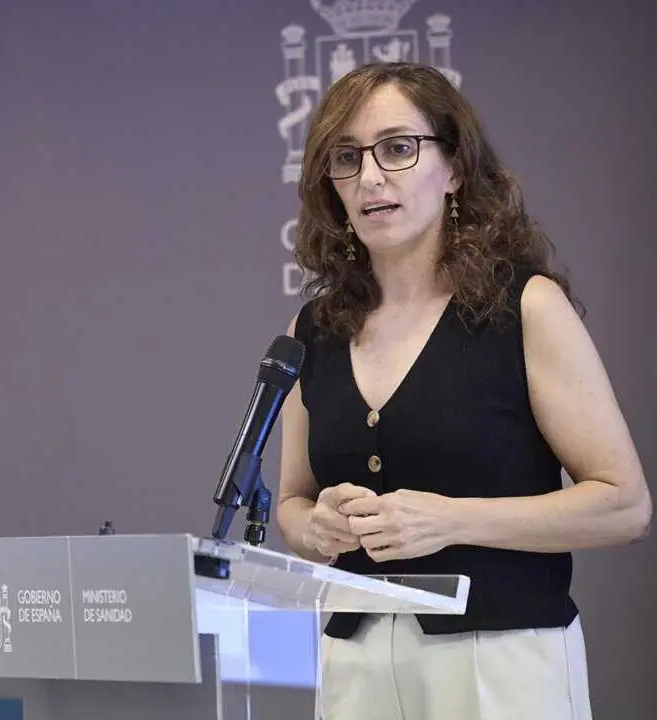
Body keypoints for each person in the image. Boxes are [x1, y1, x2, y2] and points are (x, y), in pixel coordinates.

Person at [275, 62, 651, 720]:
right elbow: (290, 505)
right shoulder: (312, 330)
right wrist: (318, 526)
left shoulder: (524, 308)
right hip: (354, 666)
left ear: (452, 169)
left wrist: (448, 520)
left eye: (397, 148)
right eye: (345, 157)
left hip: (500, 661)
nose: (369, 177)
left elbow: (623, 507)